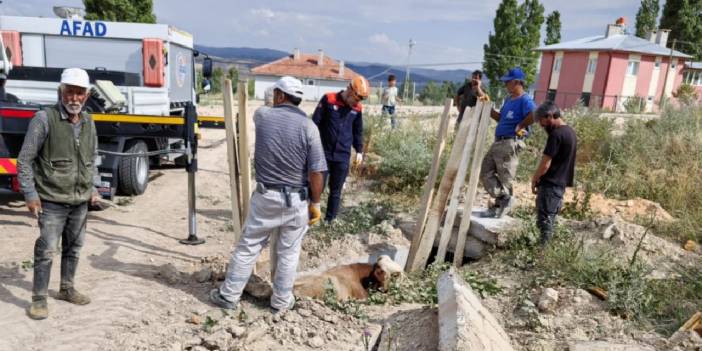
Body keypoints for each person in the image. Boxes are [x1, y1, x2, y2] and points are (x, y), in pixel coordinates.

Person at [210, 76, 327, 312]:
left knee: (249, 246)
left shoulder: (263, 116)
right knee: (289, 253)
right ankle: (281, 303)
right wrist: (315, 202)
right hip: (297, 200)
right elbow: (317, 171)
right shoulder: (309, 127)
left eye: (276, 94)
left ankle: (229, 296)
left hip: (267, 197)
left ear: (280, 96)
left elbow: (263, 108)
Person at [17, 68, 100, 320]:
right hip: (51, 201)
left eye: (79, 93)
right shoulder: (44, 119)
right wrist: (31, 194)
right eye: (70, 92)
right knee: (46, 250)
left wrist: (93, 189)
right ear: (61, 92)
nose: (74, 98)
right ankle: (39, 299)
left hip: (79, 201)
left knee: (74, 248)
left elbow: (90, 160)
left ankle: (66, 288)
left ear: (86, 96)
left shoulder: (88, 121)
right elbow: (24, 160)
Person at [312, 75, 369, 223]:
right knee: (317, 188)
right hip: (322, 153)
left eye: (359, 101)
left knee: (336, 192)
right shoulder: (328, 99)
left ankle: (329, 221)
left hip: (342, 156)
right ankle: (309, 218)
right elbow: (314, 124)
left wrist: (359, 151)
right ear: (349, 90)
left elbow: (358, 131)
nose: (356, 103)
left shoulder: (357, 108)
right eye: (355, 99)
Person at [480, 67, 536, 218]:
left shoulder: (525, 100)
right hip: (499, 142)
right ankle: (503, 200)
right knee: (485, 170)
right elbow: (500, 118)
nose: (506, 85)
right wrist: (488, 108)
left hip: (510, 142)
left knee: (505, 177)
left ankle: (501, 205)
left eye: (508, 82)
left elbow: (534, 114)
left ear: (518, 82)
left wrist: (521, 125)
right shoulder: (509, 100)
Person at [531, 101, 577, 245]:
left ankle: (541, 256)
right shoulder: (570, 132)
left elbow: (545, 163)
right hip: (559, 185)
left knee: (545, 223)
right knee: (549, 220)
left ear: (550, 116)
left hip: (551, 186)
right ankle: (543, 254)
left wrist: (534, 178)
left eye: (542, 121)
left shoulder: (556, 135)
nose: (541, 125)